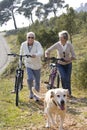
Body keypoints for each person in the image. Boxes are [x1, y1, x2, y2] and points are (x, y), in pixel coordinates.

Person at [45, 30, 76, 97]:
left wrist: (69, 59)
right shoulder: (57, 44)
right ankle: (64, 93)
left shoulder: (69, 45)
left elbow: (74, 56)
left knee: (68, 79)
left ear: (65, 38)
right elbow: (48, 50)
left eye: (61, 38)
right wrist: (47, 54)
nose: (60, 39)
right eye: (59, 37)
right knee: (63, 77)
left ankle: (69, 93)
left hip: (68, 64)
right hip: (60, 64)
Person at [19, 32, 44, 101]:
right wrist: (20, 63)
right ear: (26, 38)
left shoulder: (37, 44)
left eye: (32, 37)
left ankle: (36, 95)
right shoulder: (23, 44)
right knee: (29, 79)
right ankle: (31, 92)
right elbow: (20, 54)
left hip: (37, 65)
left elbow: (41, 52)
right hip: (28, 64)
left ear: (34, 38)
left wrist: (35, 55)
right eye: (29, 37)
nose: (30, 39)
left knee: (37, 82)